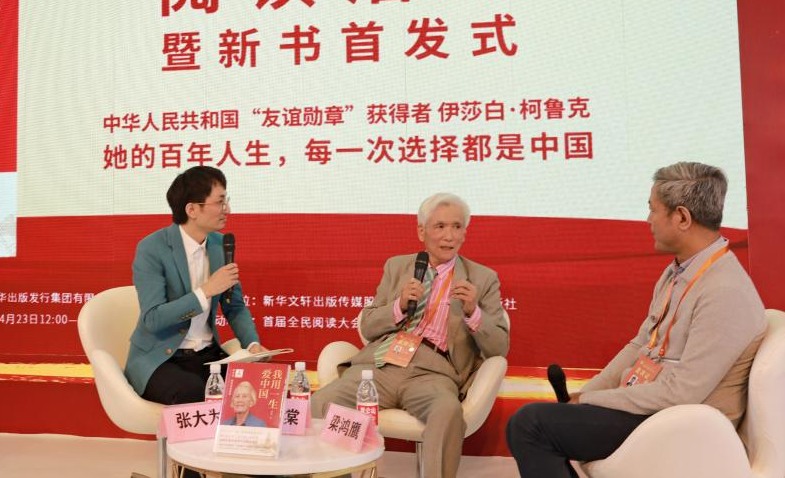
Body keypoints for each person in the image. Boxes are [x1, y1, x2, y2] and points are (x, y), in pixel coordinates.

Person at [506, 162, 767, 478]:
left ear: (682, 217)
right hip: (653, 408)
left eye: (653, 210)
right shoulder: (678, 271)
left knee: (530, 424)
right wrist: (586, 394)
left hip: (681, 423)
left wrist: (592, 399)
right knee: (536, 421)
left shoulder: (725, 290)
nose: (648, 220)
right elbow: (641, 344)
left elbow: (683, 393)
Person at [311, 193, 510, 478]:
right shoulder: (397, 267)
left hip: (434, 372)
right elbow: (368, 327)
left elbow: (499, 347)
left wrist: (473, 312)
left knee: (447, 411)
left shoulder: (483, 278)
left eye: (457, 227)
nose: (449, 236)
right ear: (421, 231)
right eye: (440, 226)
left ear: (465, 233)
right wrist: (399, 306)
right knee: (320, 404)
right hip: (381, 366)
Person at [124, 166, 268, 405]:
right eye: (220, 202)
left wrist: (252, 344)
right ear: (192, 209)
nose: (228, 209)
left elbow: (235, 306)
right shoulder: (152, 248)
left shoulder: (220, 245)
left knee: (261, 387)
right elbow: (153, 318)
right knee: (196, 392)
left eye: (227, 200)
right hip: (161, 359)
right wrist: (206, 291)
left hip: (208, 356)